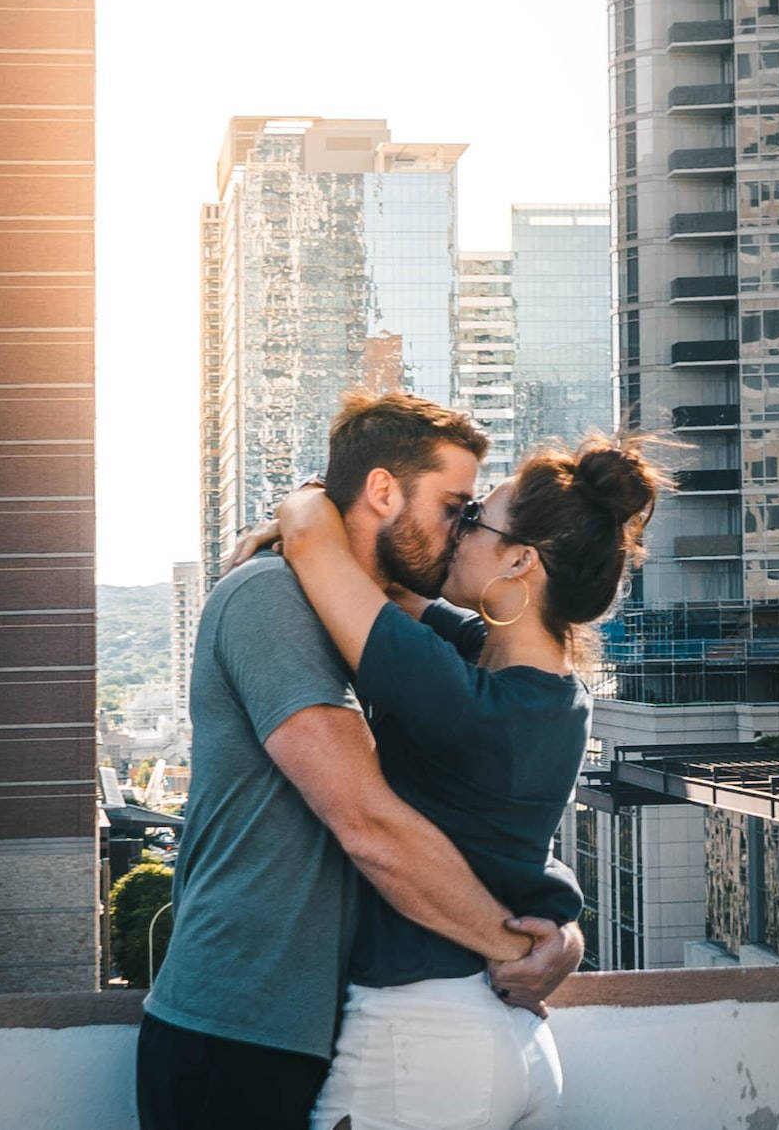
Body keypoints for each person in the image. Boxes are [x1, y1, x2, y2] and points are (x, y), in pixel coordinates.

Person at [137, 393, 584, 1130]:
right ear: (383, 491)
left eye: (474, 512)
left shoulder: (382, 624)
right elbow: (370, 823)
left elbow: (484, 805)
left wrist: (561, 930)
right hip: (240, 1022)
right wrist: (511, 948)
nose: (461, 529)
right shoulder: (272, 598)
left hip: (327, 1024)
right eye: (453, 506)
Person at [275, 434, 659, 1130]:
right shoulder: (539, 689)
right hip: (506, 1038)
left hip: (420, 1040)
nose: (460, 528)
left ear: (520, 559)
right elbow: (386, 588)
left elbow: (310, 543)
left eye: (476, 515)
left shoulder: (465, 698)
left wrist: (312, 495)